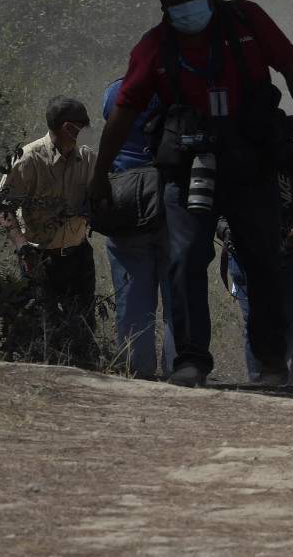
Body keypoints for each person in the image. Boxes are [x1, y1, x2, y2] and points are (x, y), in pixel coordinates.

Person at [88, 0, 293, 387]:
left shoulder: (246, 20)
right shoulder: (154, 47)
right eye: (176, 1)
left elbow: (291, 68)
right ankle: (191, 361)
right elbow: (123, 113)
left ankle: (271, 364)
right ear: (162, 3)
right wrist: (100, 173)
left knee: (263, 258)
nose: (187, 6)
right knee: (185, 259)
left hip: (252, 161)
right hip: (188, 165)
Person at [223, 126, 293, 385]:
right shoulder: (232, 159)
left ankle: (273, 371)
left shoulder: (292, 161)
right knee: (255, 320)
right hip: (245, 253)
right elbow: (217, 205)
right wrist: (230, 230)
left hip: (289, 251)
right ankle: (258, 379)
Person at [0, 97, 98, 369]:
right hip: (39, 260)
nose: (84, 133)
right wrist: (22, 246)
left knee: (83, 328)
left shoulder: (88, 159)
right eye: (81, 127)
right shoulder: (28, 159)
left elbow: (102, 201)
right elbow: (4, 207)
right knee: (43, 329)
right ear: (68, 128)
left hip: (78, 257)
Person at [97, 79, 175, 379]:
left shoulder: (115, 92)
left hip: (125, 202)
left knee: (132, 295)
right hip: (171, 201)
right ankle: (180, 369)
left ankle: (135, 369)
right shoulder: (178, 89)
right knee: (178, 293)